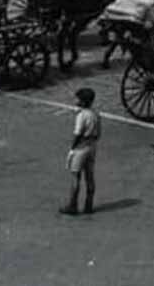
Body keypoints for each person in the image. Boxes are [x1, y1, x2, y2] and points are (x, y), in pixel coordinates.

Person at [60, 87, 101, 216]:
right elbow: (99, 133)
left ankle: (73, 205)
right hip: (92, 146)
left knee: (75, 176)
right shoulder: (96, 114)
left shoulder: (81, 115)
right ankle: (89, 205)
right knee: (90, 176)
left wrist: (72, 148)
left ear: (83, 102)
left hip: (81, 147)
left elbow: (77, 134)